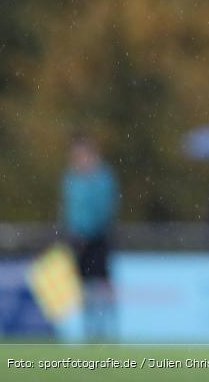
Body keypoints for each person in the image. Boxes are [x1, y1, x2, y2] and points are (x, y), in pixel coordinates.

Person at [59, 133, 119, 340]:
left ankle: (107, 326)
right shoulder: (71, 178)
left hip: (97, 238)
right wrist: (73, 232)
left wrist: (88, 231)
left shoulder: (102, 178)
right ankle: (90, 327)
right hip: (77, 240)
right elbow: (69, 208)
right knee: (83, 284)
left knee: (102, 282)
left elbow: (104, 209)